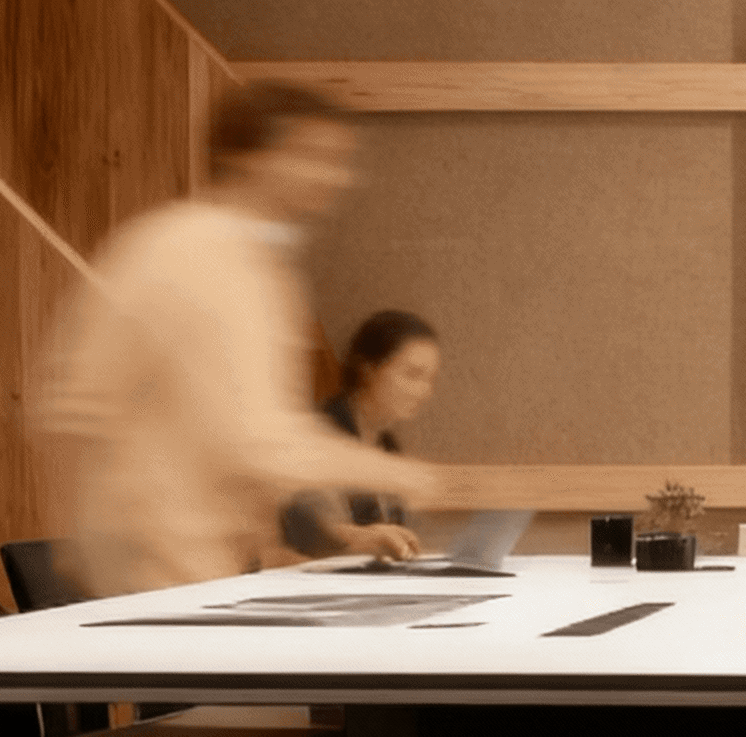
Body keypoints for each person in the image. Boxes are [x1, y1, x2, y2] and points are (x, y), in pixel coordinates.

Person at [32, 81, 437, 599]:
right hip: (163, 569)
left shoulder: (230, 255)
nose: (336, 177)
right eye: (314, 156)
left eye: (340, 160)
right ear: (250, 157)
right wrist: (413, 477)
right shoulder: (204, 253)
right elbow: (258, 442)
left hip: (190, 564)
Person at [279, 309, 440, 562]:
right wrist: (360, 538)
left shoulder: (388, 448)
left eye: (430, 379)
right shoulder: (320, 434)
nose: (424, 391)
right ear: (368, 368)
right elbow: (312, 532)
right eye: (412, 375)